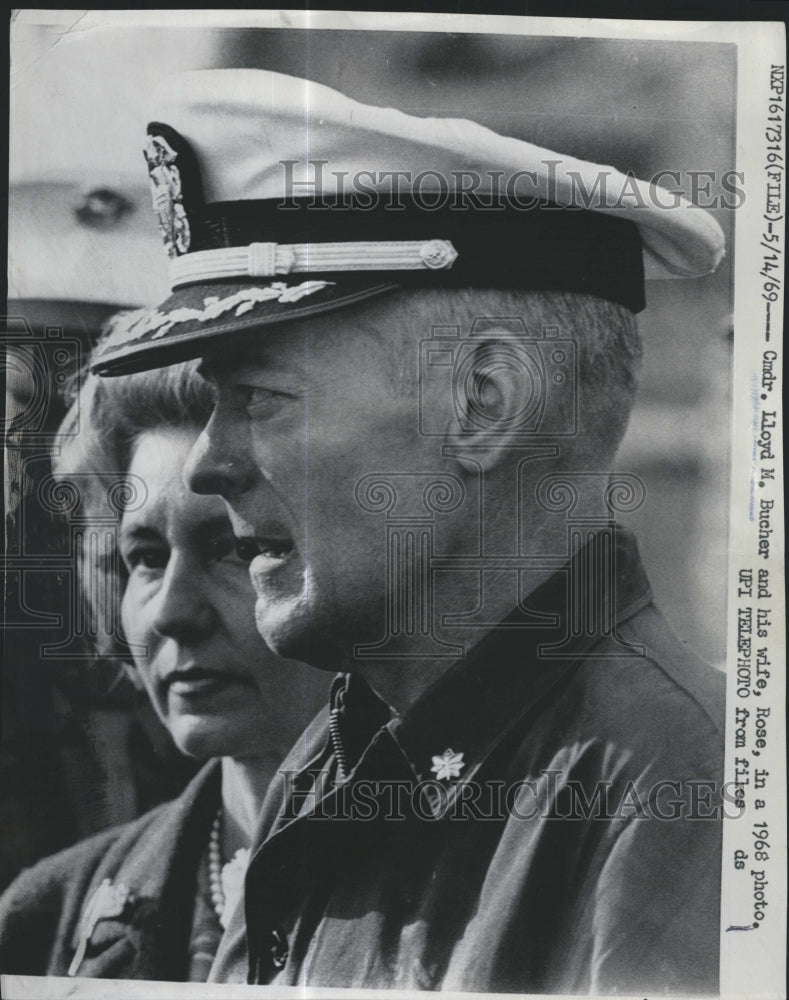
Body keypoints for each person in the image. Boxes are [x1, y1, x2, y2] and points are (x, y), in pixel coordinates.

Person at [91, 69, 727, 993]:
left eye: (263, 398)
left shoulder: (677, 796)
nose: (208, 464)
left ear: (480, 402)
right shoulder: (335, 759)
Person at [0, 351, 327, 981]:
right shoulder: (47, 918)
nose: (172, 612)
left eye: (237, 548)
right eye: (146, 556)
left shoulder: (470, 880)